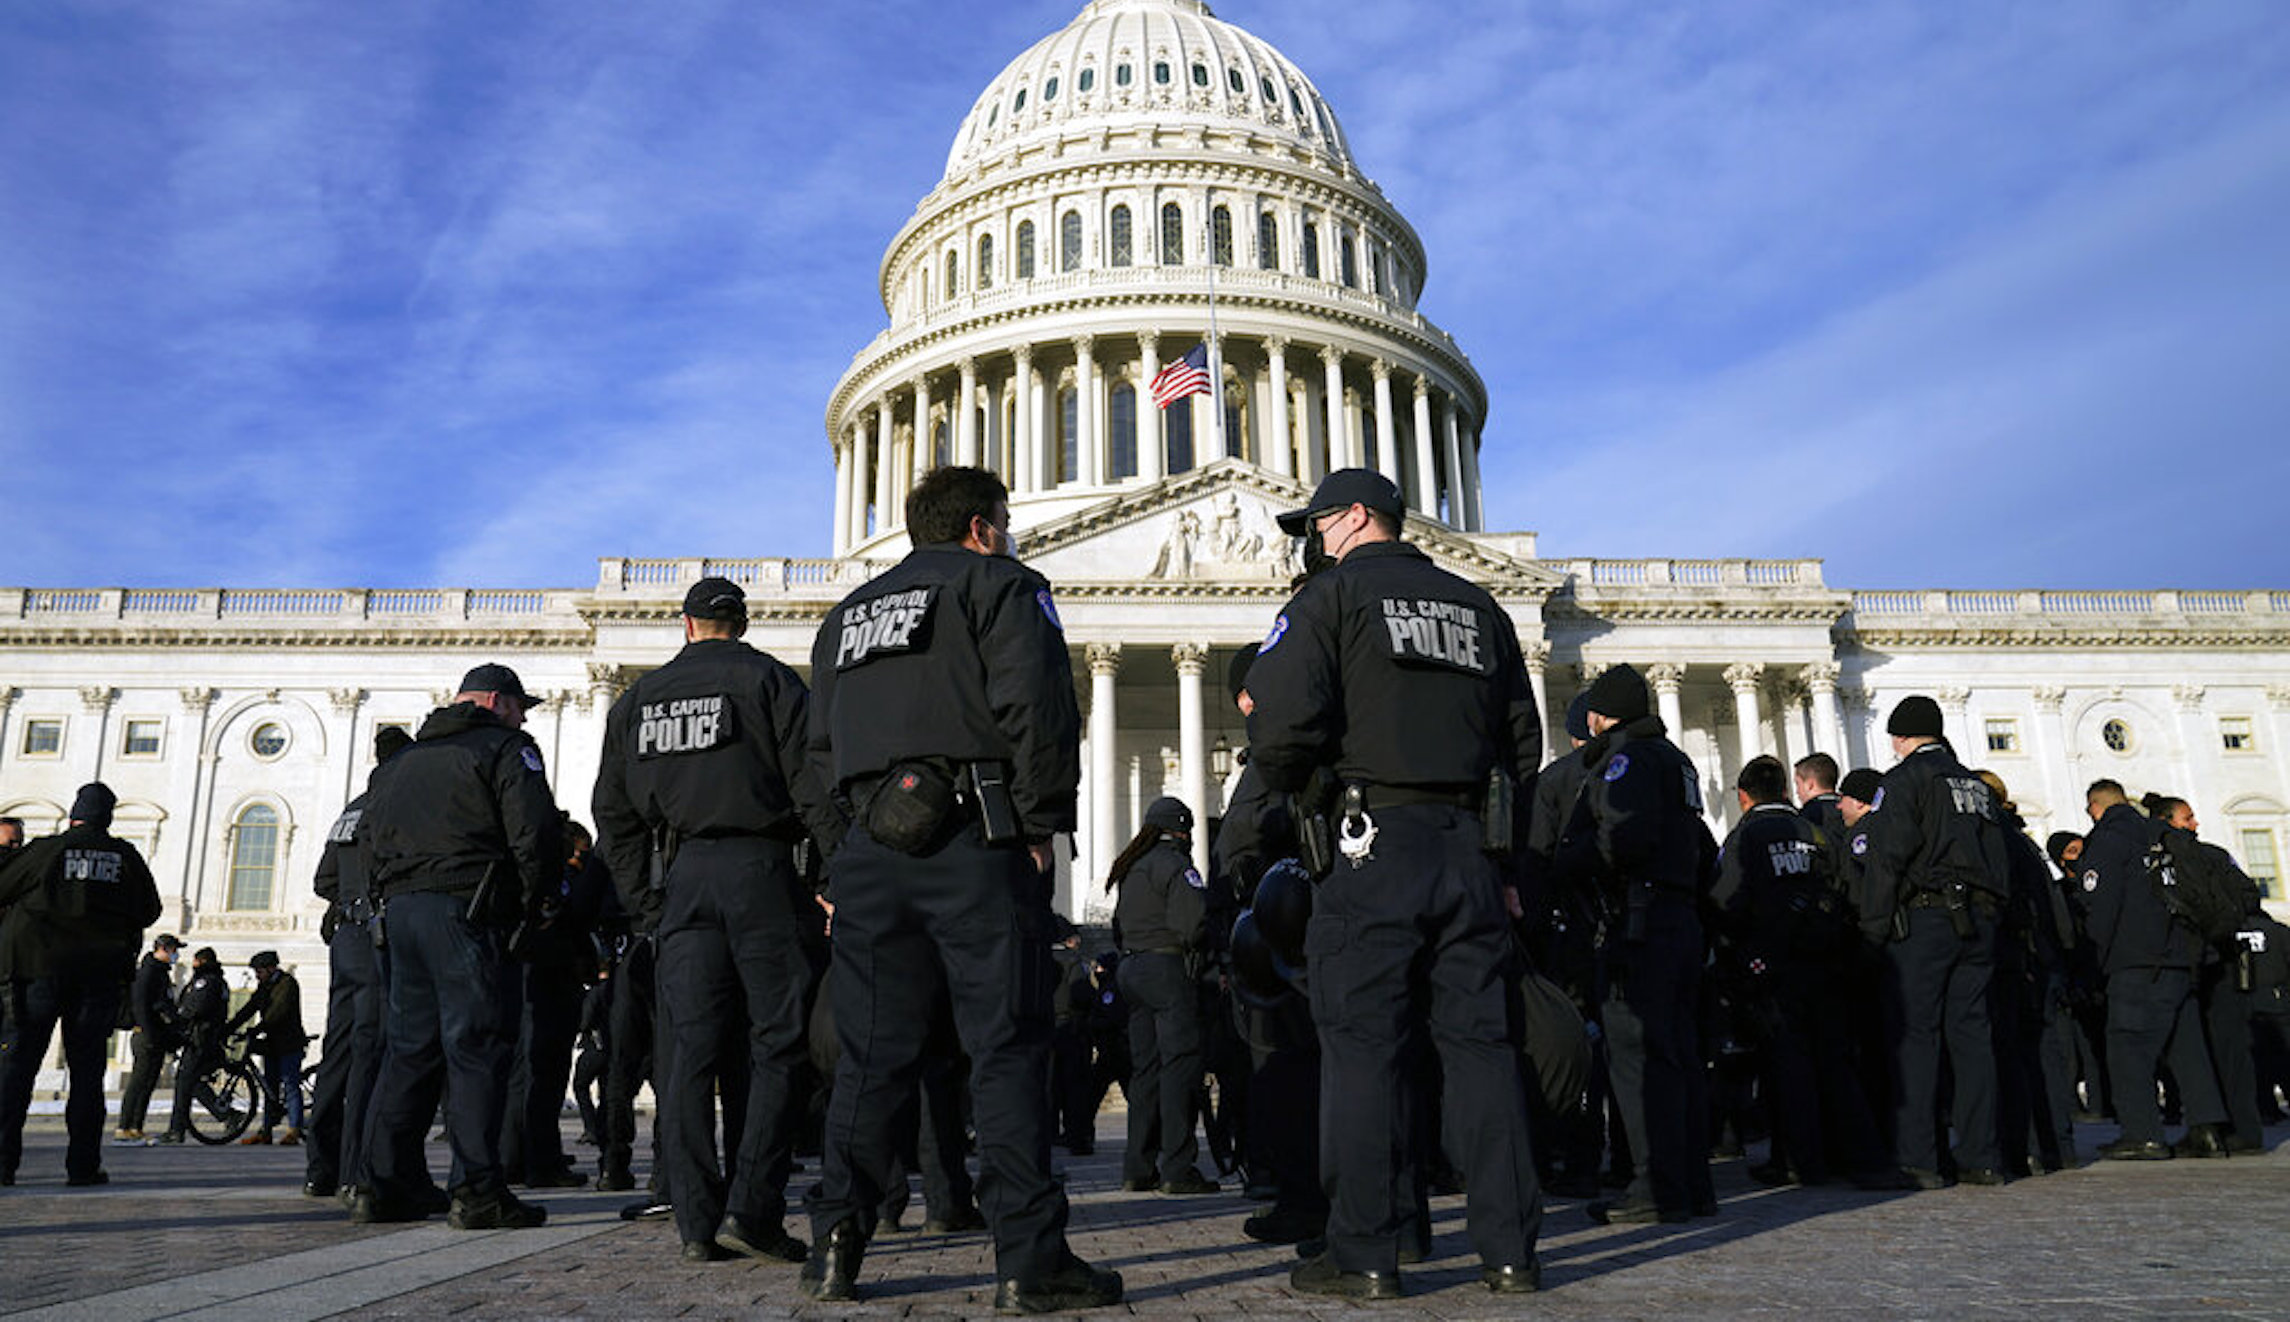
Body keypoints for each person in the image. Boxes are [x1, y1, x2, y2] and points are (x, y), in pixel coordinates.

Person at [800, 466, 1120, 1311]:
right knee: (1006, 1050)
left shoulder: (848, 618)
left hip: (873, 849)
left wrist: (847, 850)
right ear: (982, 527)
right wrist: (1042, 823)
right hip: (978, 840)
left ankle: (835, 1247)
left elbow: (817, 757)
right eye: (1006, 522)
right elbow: (1039, 710)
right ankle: (1028, 1260)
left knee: (871, 1058)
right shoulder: (1001, 585)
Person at [1248, 468, 1544, 1299]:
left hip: (1369, 840)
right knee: (1484, 1053)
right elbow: (1523, 748)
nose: (1311, 539)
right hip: (1467, 847)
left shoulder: (1328, 601)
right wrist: (1508, 862)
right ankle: (1511, 1251)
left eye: (1315, 523)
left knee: (1364, 1052)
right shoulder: (1480, 608)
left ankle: (1368, 1254)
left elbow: (1277, 731)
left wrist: (1307, 794)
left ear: (1349, 520)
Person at [593, 575, 844, 1265]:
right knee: (779, 1042)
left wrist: (647, 900)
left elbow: (611, 815)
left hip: (682, 880)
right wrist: (835, 878)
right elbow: (816, 792)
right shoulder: (771, 684)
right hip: (762, 872)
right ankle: (753, 1207)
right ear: (742, 622)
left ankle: (696, 1221)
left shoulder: (638, 699)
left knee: (687, 1055)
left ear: (686, 625)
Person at [354, 663, 562, 1229]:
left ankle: (384, 1186)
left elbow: (367, 841)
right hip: (468, 912)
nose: (524, 717)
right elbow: (535, 834)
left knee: (409, 1051)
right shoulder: (506, 749)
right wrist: (535, 904)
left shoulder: (400, 763)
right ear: (496, 701)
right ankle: (477, 1190)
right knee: (478, 1050)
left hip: (400, 914)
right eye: (521, 706)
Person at [1552, 664, 1716, 1227]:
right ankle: (1692, 1182)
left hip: (1636, 920)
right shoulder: (1677, 759)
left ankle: (1654, 1184)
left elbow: (1621, 839)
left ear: (1602, 715)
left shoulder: (1626, 759)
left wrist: (1567, 862)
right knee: (1681, 1055)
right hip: (1680, 918)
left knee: (1638, 1059)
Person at [1711, 757, 1900, 1190]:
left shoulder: (1746, 837)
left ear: (1743, 796)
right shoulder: (1815, 832)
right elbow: (1848, 888)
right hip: (1827, 959)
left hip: (1774, 964)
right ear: (1783, 790)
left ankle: (1802, 1160)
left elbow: (1725, 901)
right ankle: (1863, 1157)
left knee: (1787, 1065)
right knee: (1836, 1061)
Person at [1858, 696, 2012, 1188]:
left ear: (1901, 738)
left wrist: (1873, 930)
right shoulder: (1976, 786)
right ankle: (1981, 1156)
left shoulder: (1904, 781)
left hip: (1925, 919)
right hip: (1980, 919)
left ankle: (1918, 1158)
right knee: (1972, 1038)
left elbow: (1888, 859)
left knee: (1916, 1037)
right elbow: (1999, 861)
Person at [0, 785, 163, 1187]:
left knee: (17, 1068)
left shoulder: (46, 850)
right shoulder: (125, 856)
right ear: (108, 818)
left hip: (37, 969)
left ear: (74, 815)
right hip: (97, 977)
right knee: (87, 1075)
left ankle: (3, 1164)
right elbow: (150, 909)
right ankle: (83, 1165)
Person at [2078, 781, 2230, 1159]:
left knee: (2128, 1047)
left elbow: (2101, 908)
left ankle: (2142, 1132)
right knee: (2187, 1047)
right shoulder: (2163, 835)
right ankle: (2207, 1130)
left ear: (2095, 807)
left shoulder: (2109, 840)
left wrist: (2093, 962)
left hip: (2137, 961)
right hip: (2182, 955)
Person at [305, 726, 411, 1199]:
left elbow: (323, 879)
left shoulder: (350, 811)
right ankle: (357, 1168)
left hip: (345, 934)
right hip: (376, 934)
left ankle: (320, 1166)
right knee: (373, 1048)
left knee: (338, 1052)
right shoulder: (395, 804)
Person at [2145, 794, 2267, 1153]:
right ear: (2168, 821)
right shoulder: (2214, 855)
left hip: (2195, 960)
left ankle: (2212, 1126)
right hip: (2223, 956)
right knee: (2232, 1049)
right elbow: (2248, 896)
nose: (2195, 824)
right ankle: (2245, 1129)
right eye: (2188, 818)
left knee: (2197, 1048)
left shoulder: (2168, 859)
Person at [1109, 798, 1219, 1196]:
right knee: (1179, 1068)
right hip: (1167, 969)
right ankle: (1177, 1167)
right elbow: (1192, 924)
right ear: (1184, 830)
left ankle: (1137, 1167)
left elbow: (1118, 925)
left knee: (1145, 1072)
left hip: (1132, 969)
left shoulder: (1131, 866)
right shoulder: (1177, 865)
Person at [501, 818, 609, 1190]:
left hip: (529, 976)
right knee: (545, 1074)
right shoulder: (555, 878)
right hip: (551, 976)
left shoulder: (525, 872)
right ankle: (541, 1162)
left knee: (524, 1073)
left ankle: (513, 1157)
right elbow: (577, 915)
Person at [227, 951, 306, 1145]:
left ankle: (294, 1130)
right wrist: (229, 1027)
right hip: (271, 1043)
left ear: (272, 968)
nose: (257, 975)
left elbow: (277, 1012)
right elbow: (250, 1008)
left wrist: (258, 1029)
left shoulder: (287, 984)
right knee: (269, 1087)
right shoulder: (264, 985)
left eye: (260, 971)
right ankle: (266, 1131)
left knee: (290, 1086)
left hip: (289, 1043)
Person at [116, 933, 185, 1143]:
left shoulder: (161, 973)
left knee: (148, 1083)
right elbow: (141, 1006)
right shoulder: (148, 972)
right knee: (138, 1082)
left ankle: (136, 1126)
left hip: (157, 1034)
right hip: (146, 1034)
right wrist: (150, 1032)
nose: (176, 954)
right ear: (163, 949)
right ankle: (124, 1127)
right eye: (174, 950)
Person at [160, 946, 231, 1143]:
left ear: (201, 962)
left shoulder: (206, 982)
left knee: (185, 1082)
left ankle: (177, 1130)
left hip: (201, 1039)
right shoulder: (218, 981)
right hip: (206, 1038)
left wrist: (177, 1017)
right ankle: (225, 1113)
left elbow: (194, 1008)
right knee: (191, 1082)